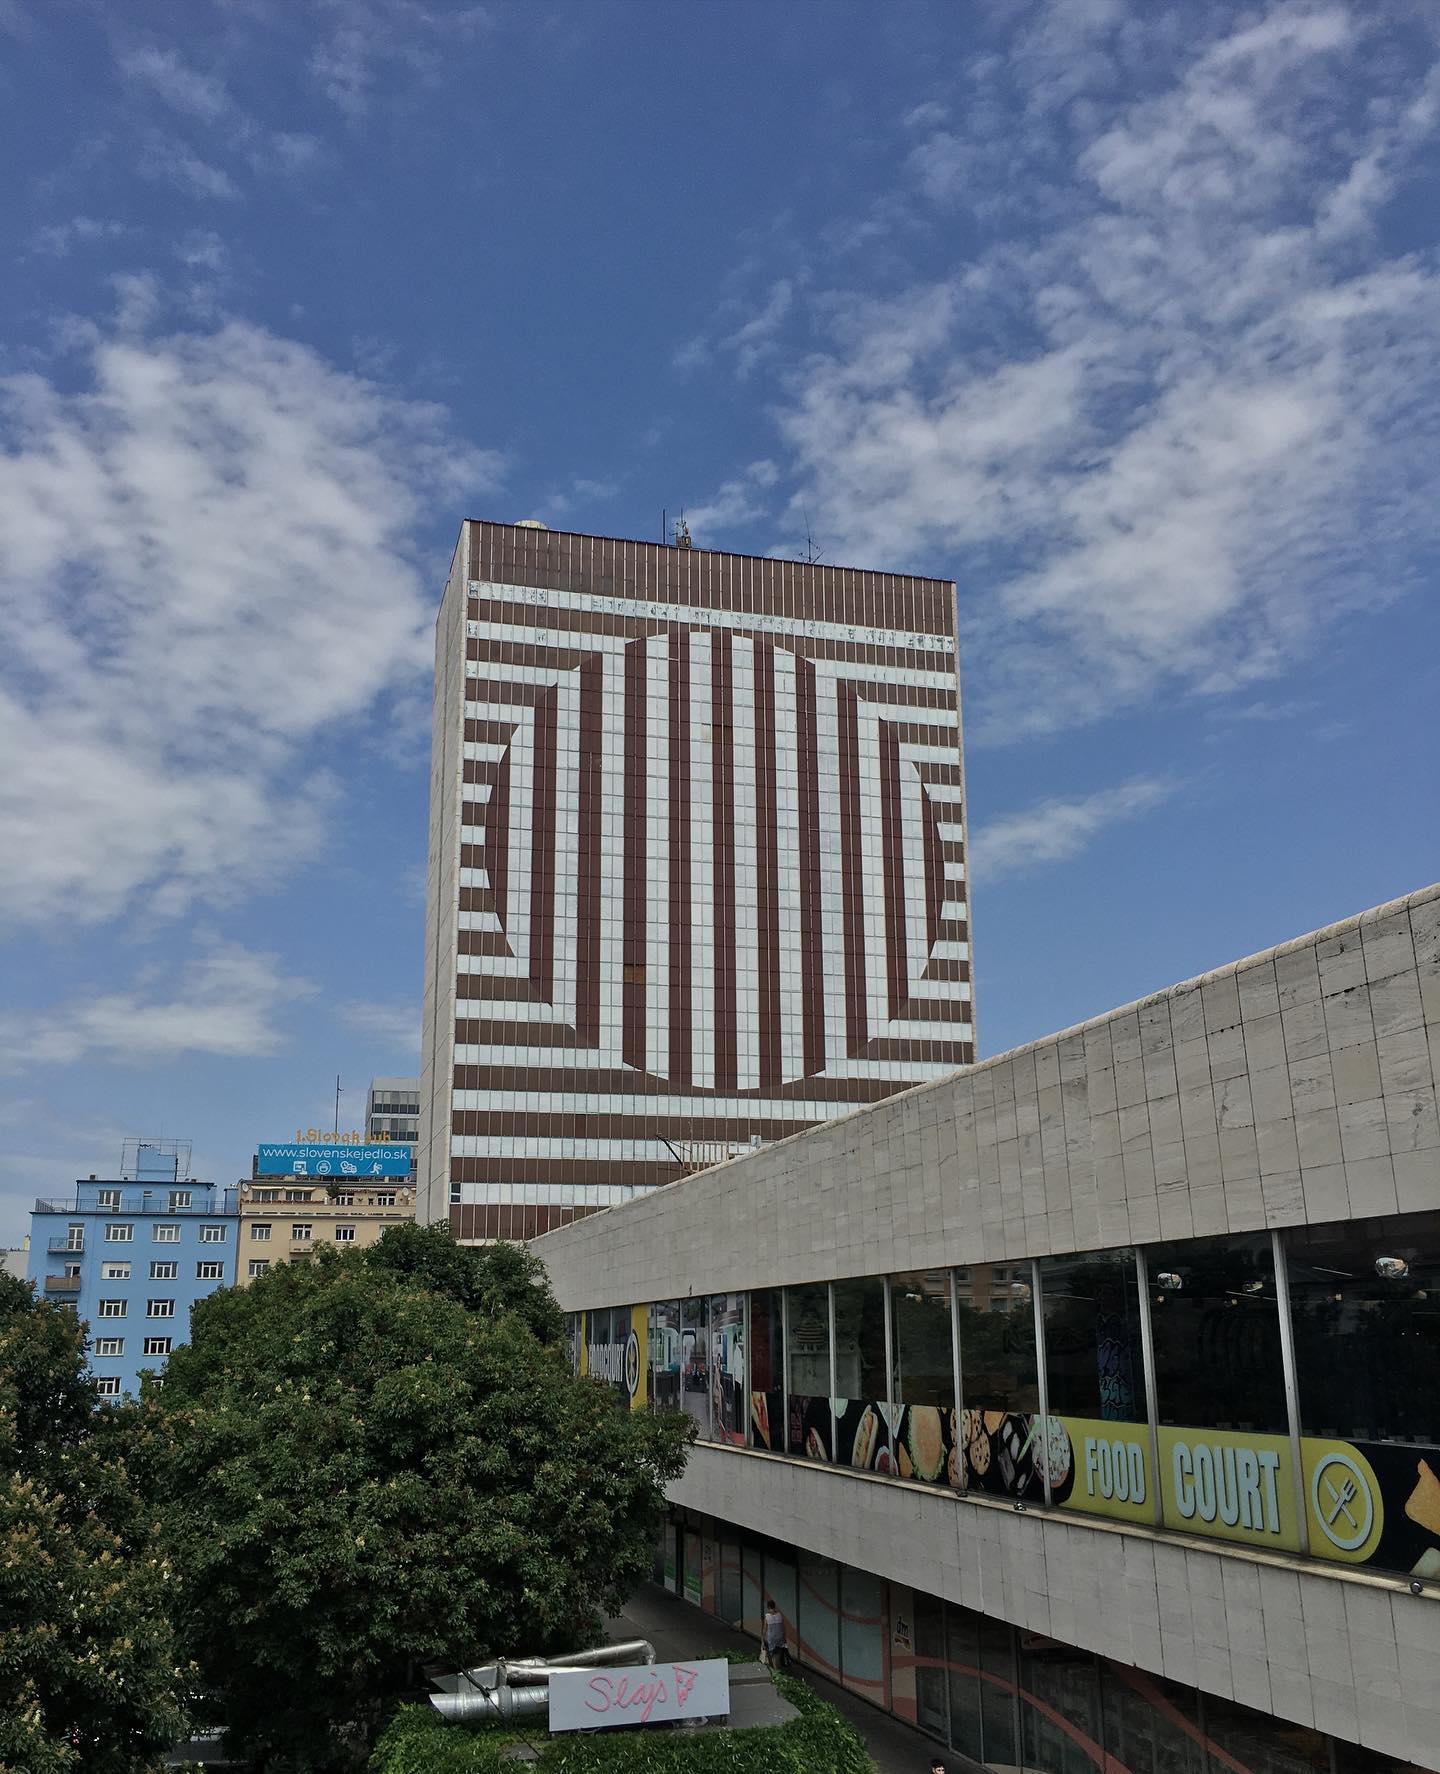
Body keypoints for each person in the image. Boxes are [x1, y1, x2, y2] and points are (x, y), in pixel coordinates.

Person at [762, 1598, 789, 1671]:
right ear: (774, 1606)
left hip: (772, 1638)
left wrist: (763, 1637)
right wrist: (784, 1637)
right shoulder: (779, 1615)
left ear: (768, 1607)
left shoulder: (767, 1616)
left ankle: (775, 1669)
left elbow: (765, 1629)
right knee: (778, 1652)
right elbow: (783, 1627)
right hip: (780, 1637)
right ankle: (778, 1666)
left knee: (773, 1653)